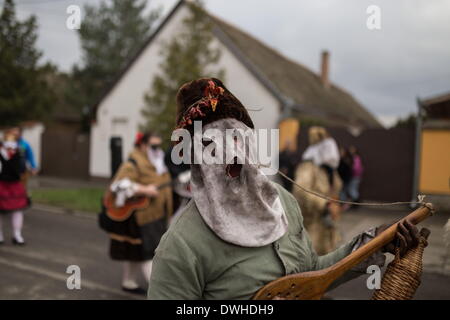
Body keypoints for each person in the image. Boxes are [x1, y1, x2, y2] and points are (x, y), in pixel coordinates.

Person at [147, 78, 428, 300]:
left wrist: (372, 244)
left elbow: (312, 275)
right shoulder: (180, 247)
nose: (231, 154)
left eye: (237, 137)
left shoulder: (283, 202)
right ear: (195, 157)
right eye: (212, 145)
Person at [99, 131, 173, 295]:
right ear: (142, 145)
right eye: (153, 146)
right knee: (149, 254)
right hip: (141, 217)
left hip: (156, 215)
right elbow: (118, 185)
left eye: (159, 145)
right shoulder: (133, 162)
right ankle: (161, 295)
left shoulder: (157, 160)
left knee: (137, 252)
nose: (157, 149)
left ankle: (129, 282)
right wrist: (144, 189)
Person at [0, 133, 30, 245]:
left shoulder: (19, 153)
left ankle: (17, 235)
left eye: (12, 141)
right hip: (1, 184)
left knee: (18, 210)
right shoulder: (1, 152)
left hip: (14, 185)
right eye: (8, 140)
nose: (10, 144)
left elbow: (22, 168)